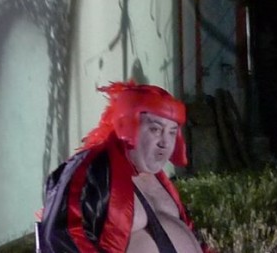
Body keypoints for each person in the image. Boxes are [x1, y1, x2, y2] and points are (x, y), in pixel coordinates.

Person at [38, 81, 208, 253]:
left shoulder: (159, 179)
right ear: (127, 126)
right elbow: (61, 237)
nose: (165, 143)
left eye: (172, 132)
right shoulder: (90, 170)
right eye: (155, 130)